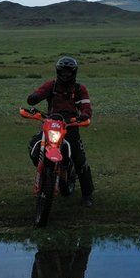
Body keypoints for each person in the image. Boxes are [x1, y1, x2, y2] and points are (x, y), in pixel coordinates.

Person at [27, 56, 95, 206]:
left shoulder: (79, 89)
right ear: (58, 71)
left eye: (68, 72)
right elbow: (39, 93)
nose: (65, 74)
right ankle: (45, 172)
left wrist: (84, 115)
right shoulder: (51, 85)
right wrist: (34, 97)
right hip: (51, 123)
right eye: (63, 71)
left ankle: (87, 195)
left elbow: (86, 107)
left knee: (79, 159)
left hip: (70, 126)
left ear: (74, 72)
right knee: (35, 146)